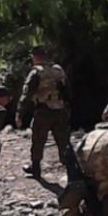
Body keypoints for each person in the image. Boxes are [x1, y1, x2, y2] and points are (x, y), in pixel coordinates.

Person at [16, 46, 72, 178]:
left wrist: (19, 114)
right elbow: (68, 90)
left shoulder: (36, 72)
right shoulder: (58, 70)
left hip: (44, 110)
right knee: (63, 140)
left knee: (38, 139)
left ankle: (36, 169)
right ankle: (71, 170)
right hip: (60, 109)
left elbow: (26, 95)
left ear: (35, 57)